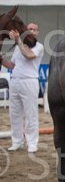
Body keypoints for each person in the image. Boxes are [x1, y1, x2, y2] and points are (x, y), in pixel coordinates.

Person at [0, 23, 44, 153]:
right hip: (15, 80)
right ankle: (17, 142)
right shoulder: (18, 47)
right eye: (29, 29)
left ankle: (32, 143)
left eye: (34, 29)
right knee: (14, 114)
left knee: (31, 114)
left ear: (37, 33)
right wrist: (1, 59)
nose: (31, 31)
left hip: (29, 81)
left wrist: (18, 40)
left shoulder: (39, 46)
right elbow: (12, 65)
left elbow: (29, 56)